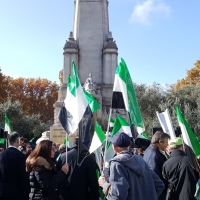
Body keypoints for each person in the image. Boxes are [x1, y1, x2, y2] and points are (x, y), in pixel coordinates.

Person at [99, 132, 165, 200]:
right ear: (129, 145)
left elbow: (117, 196)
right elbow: (159, 185)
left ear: (114, 147)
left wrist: (104, 185)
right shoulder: (140, 160)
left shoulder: (117, 164)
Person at [0, 132, 30, 200]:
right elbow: (23, 175)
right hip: (16, 192)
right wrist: (26, 191)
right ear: (18, 141)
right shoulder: (20, 156)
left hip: (2, 191)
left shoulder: (1, 155)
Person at [143, 131, 170, 200]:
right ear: (160, 142)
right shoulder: (153, 155)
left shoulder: (150, 150)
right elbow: (154, 177)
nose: (168, 145)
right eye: (167, 142)